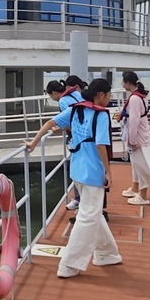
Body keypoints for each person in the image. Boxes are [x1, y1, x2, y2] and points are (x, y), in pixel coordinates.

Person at [25, 78, 121, 278]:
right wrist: (108, 171)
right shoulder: (101, 115)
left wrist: (34, 142)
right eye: (109, 95)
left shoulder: (75, 109)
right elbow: (101, 145)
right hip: (93, 171)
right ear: (100, 95)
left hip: (77, 169)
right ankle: (69, 264)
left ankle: (106, 253)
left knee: (91, 212)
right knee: (88, 217)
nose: (110, 98)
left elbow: (50, 123)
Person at [118, 71, 150, 205]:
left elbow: (134, 121)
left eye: (123, 82)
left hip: (138, 136)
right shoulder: (141, 95)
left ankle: (143, 196)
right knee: (136, 164)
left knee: (141, 165)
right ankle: (135, 188)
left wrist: (132, 141)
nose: (122, 84)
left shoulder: (134, 99)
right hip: (142, 133)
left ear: (128, 83)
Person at [45, 75, 86, 210]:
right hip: (87, 134)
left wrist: (60, 128)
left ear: (54, 93)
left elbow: (71, 121)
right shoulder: (76, 93)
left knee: (76, 169)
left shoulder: (63, 101)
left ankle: (79, 200)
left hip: (77, 138)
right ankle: (82, 199)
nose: (53, 99)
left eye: (51, 97)